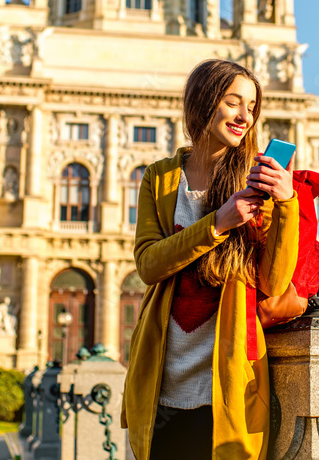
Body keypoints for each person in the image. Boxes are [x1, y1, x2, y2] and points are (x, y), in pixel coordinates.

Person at [120, 59, 300, 460]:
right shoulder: (160, 177)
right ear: (203, 102)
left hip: (227, 383)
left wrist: (287, 203)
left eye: (251, 108)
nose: (244, 117)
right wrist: (218, 222)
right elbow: (149, 266)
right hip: (160, 384)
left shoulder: (256, 180)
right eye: (234, 102)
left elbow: (272, 282)